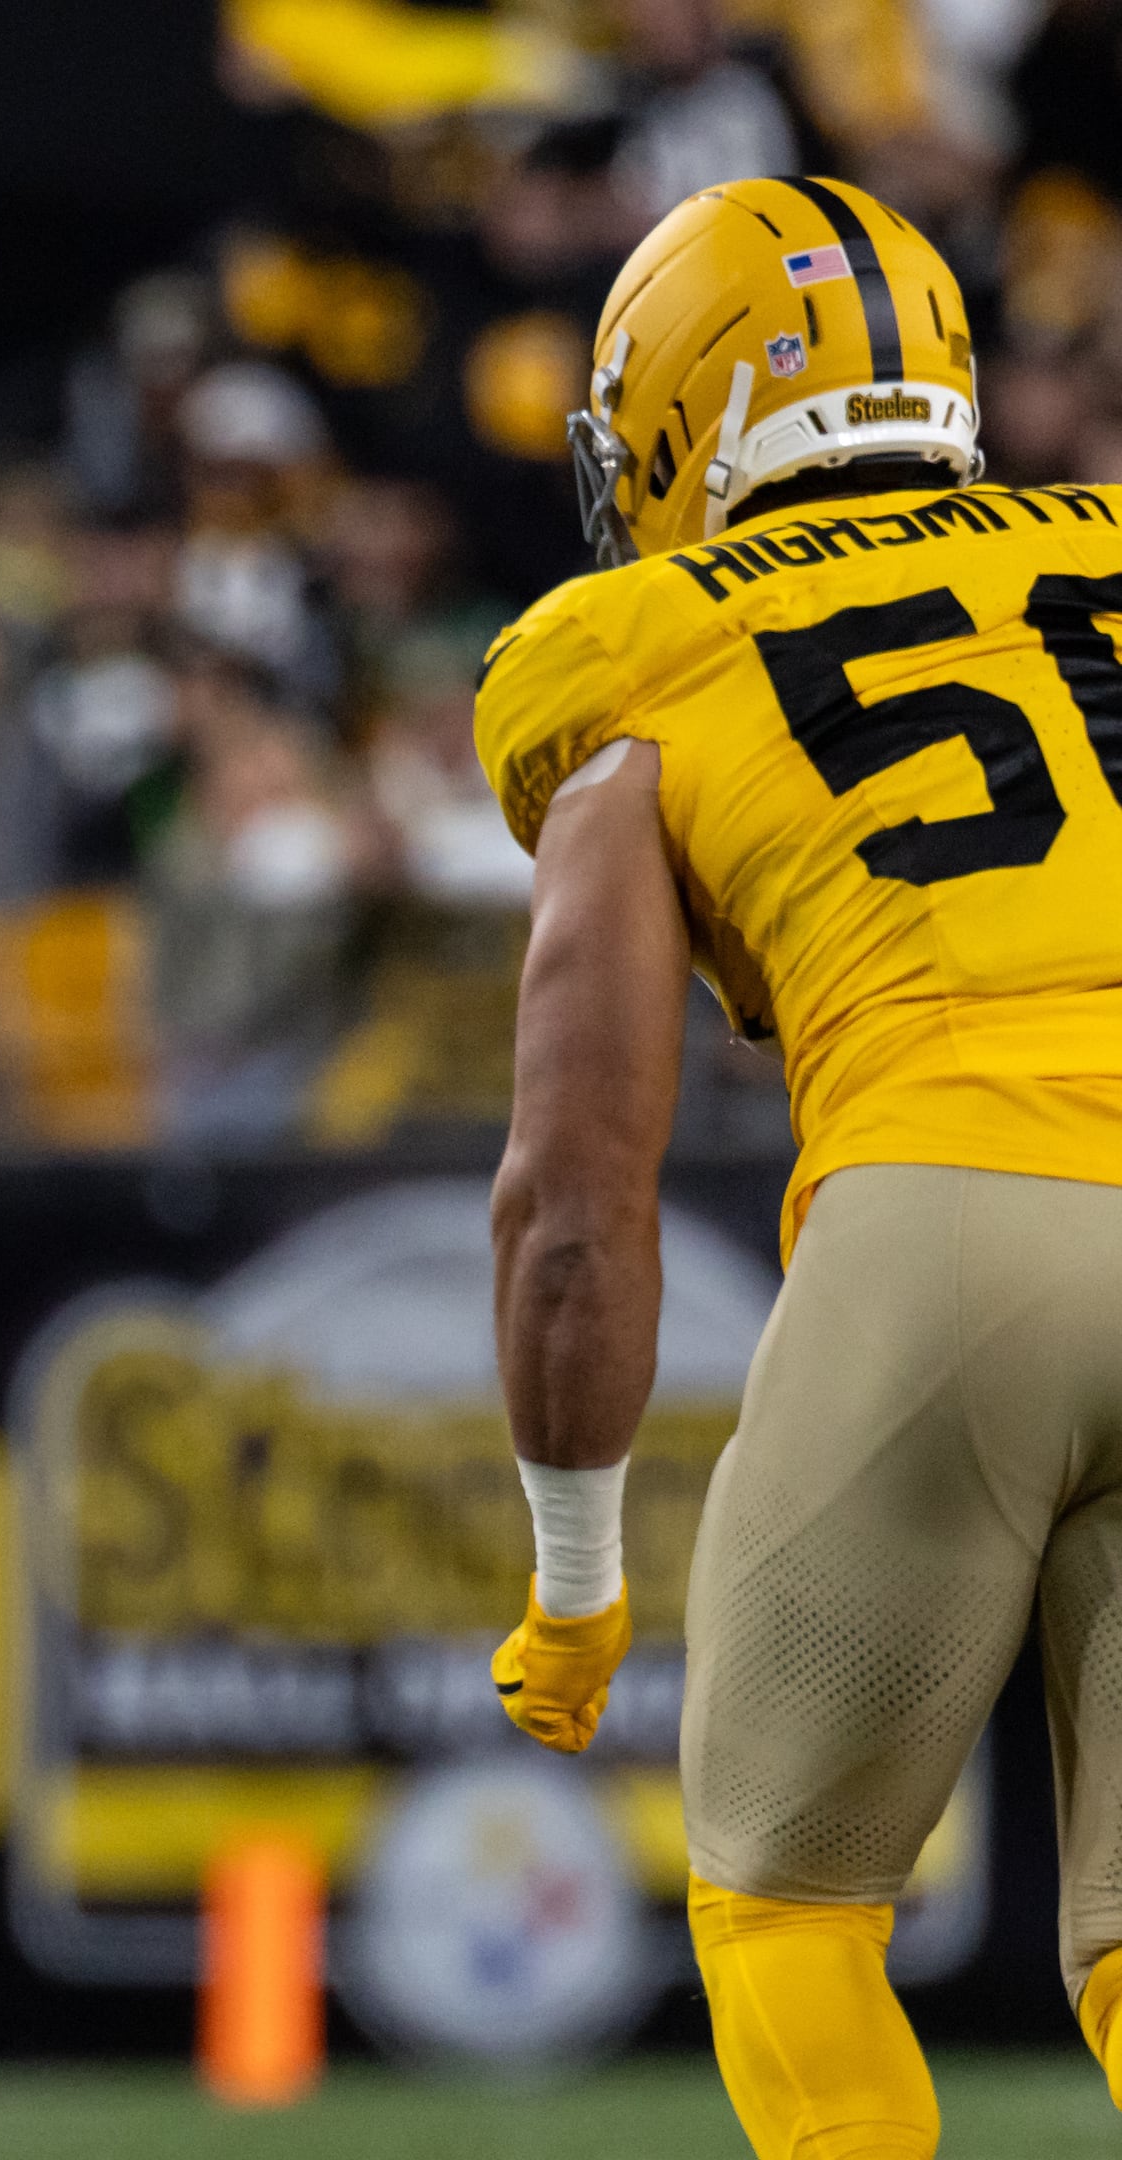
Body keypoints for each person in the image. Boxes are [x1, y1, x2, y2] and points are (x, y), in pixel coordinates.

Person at [479, 176, 1122, 2159]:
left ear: (670, 420)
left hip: (960, 1204)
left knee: (787, 1904)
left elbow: (575, 1201)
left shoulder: (636, 652)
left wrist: (577, 1582)